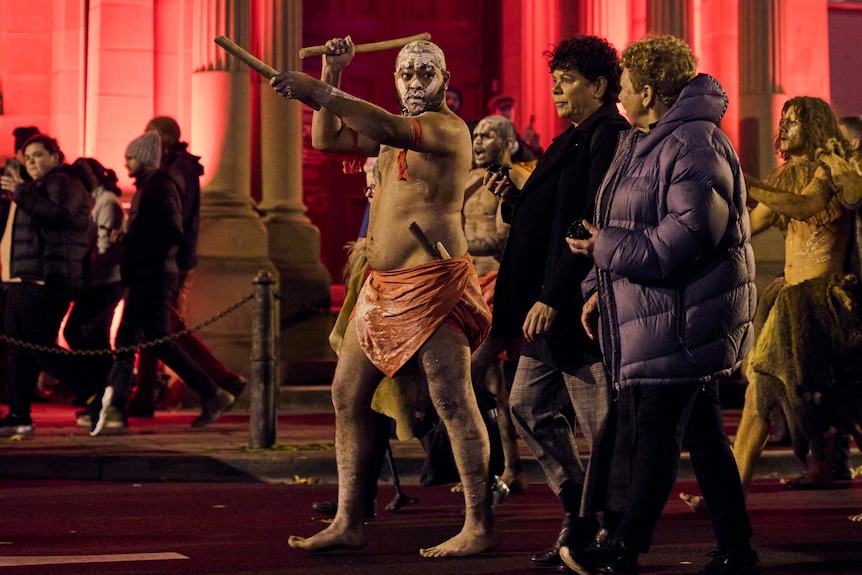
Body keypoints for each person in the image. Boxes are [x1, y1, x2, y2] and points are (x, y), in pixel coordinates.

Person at [270, 36, 496, 558]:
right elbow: (327, 141)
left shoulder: (444, 128)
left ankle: (479, 524)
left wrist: (318, 91)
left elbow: (393, 127)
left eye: (426, 73)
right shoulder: (391, 134)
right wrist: (333, 71)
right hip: (380, 287)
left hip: (431, 283)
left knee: (452, 400)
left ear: (445, 80)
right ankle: (350, 518)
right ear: (393, 79)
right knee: (347, 395)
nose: (415, 83)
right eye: (406, 74)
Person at [565, 35, 762, 575]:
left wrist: (602, 248)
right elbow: (623, 221)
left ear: (648, 91)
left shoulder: (695, 142)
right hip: (655, 310)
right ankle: (737, 550)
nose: (619, 93)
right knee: (703, 437)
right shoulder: (645, 140)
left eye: (625, 84)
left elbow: (687, 236)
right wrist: (595, 288)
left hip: (681, 315)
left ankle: (623, 546)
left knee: (655, 431)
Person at [485, 35, 632, 571]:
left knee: (602, 425)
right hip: (545, 305)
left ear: (599, 85)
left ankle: (613, 532)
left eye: (567, 80)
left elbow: (587, 223)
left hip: (577, 309)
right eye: (554, 80)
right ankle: (577, 509)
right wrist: (516, 201)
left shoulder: (608, 136)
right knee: (526, 405)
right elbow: (552, 217)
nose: (556, 90)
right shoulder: (570, 138)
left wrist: (555, 295)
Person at [94, 132, 235, 435]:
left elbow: (170, 231)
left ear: (142, 159)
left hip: (152, 275)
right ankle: (117, 409)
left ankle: (211, 393)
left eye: (130, 156)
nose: (125, 161)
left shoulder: (158, 187)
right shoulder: (154, 186)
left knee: (149, 341)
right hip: (150, 273)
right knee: (139, 341)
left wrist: (136, 244)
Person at [131, 117, 245, 417]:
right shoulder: (176, 167)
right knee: (155, 330)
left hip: (168, 264)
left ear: (161, 137)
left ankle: (221, 381)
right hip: (171, 262)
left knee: (165, 330)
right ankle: (143, 397)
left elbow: (173, 220)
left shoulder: (174, 170)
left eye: (150, 135)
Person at [0, 134, 101, 435]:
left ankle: (94, 393)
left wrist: (21, 192)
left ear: (56, 156)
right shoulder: (31, 189)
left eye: (38, 155)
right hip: (22, 278)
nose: (31, 162)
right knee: (19, 347)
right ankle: (19, 414)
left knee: (37, 345)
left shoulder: (64, 182)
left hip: (48, 278)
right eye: (27, 157)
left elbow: (57, 216)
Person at [463, 114, 527, 493]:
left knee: (469, 373)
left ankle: (485, 471)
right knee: (494, 386)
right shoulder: (467, 181)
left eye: (488, 135)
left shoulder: (514, 180)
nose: (479, 140)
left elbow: (507, 238)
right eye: (476, 134)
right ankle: (508, 469)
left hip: (500, 289)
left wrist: (456, 243)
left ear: (508, 142)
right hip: (469, 289)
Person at [63, 158, 126, 430]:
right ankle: (102, 400)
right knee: (96, 339)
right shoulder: (98, 202)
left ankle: (101, 393)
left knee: (75, 333)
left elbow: (103, 251)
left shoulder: (106, 203)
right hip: (101, 280)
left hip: (105, 282)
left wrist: (86, 279)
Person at [487, 93, 542, 161]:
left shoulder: (515, 135)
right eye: (503, 109)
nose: (507, 113)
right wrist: (523, 142)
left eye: (510, 108)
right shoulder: (489, 135)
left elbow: (533, 163)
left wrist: (536, 149)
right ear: (493, 113)